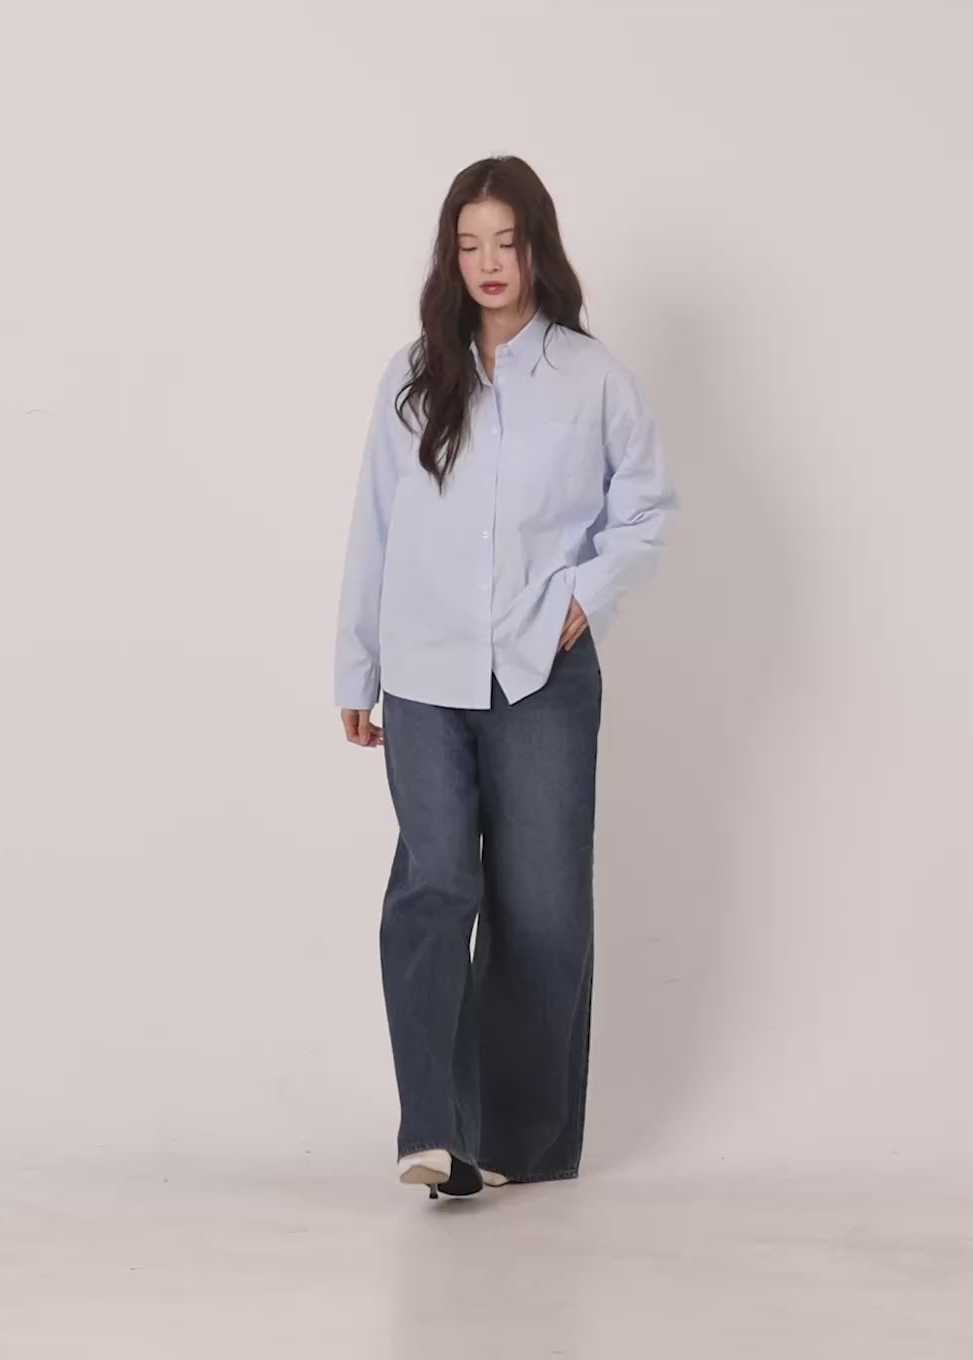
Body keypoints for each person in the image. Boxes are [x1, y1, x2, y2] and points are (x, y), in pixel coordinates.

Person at [333, 155, 678, 1201]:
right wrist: (356, 665)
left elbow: (646, 509)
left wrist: (586, 594)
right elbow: (376, 525)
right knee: (434, 884)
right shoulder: (412, 376)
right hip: (425, 673)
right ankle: (433, 1130)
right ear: (451, 256)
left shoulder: (593, 377)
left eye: (506, 241)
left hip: (542, 672)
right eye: (468, 244)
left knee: (542, 910)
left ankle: (515, 1144)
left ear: (537, 248)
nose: (488, 263)